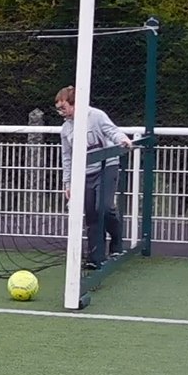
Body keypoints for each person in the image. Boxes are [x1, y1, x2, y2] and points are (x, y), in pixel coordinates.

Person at [55, 85, 133, 269]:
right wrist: (68, 182)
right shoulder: (66, 129)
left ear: (75, 104)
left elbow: (112, 131)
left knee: (104, 208)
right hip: (85, 172)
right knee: (91, 214)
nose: (61, 113)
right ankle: (94, 257)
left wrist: (122, 140)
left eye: (63, 108)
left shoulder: (96, 115)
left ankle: (116, 241)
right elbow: (67, 157)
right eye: (58, 109)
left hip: (108, 166)